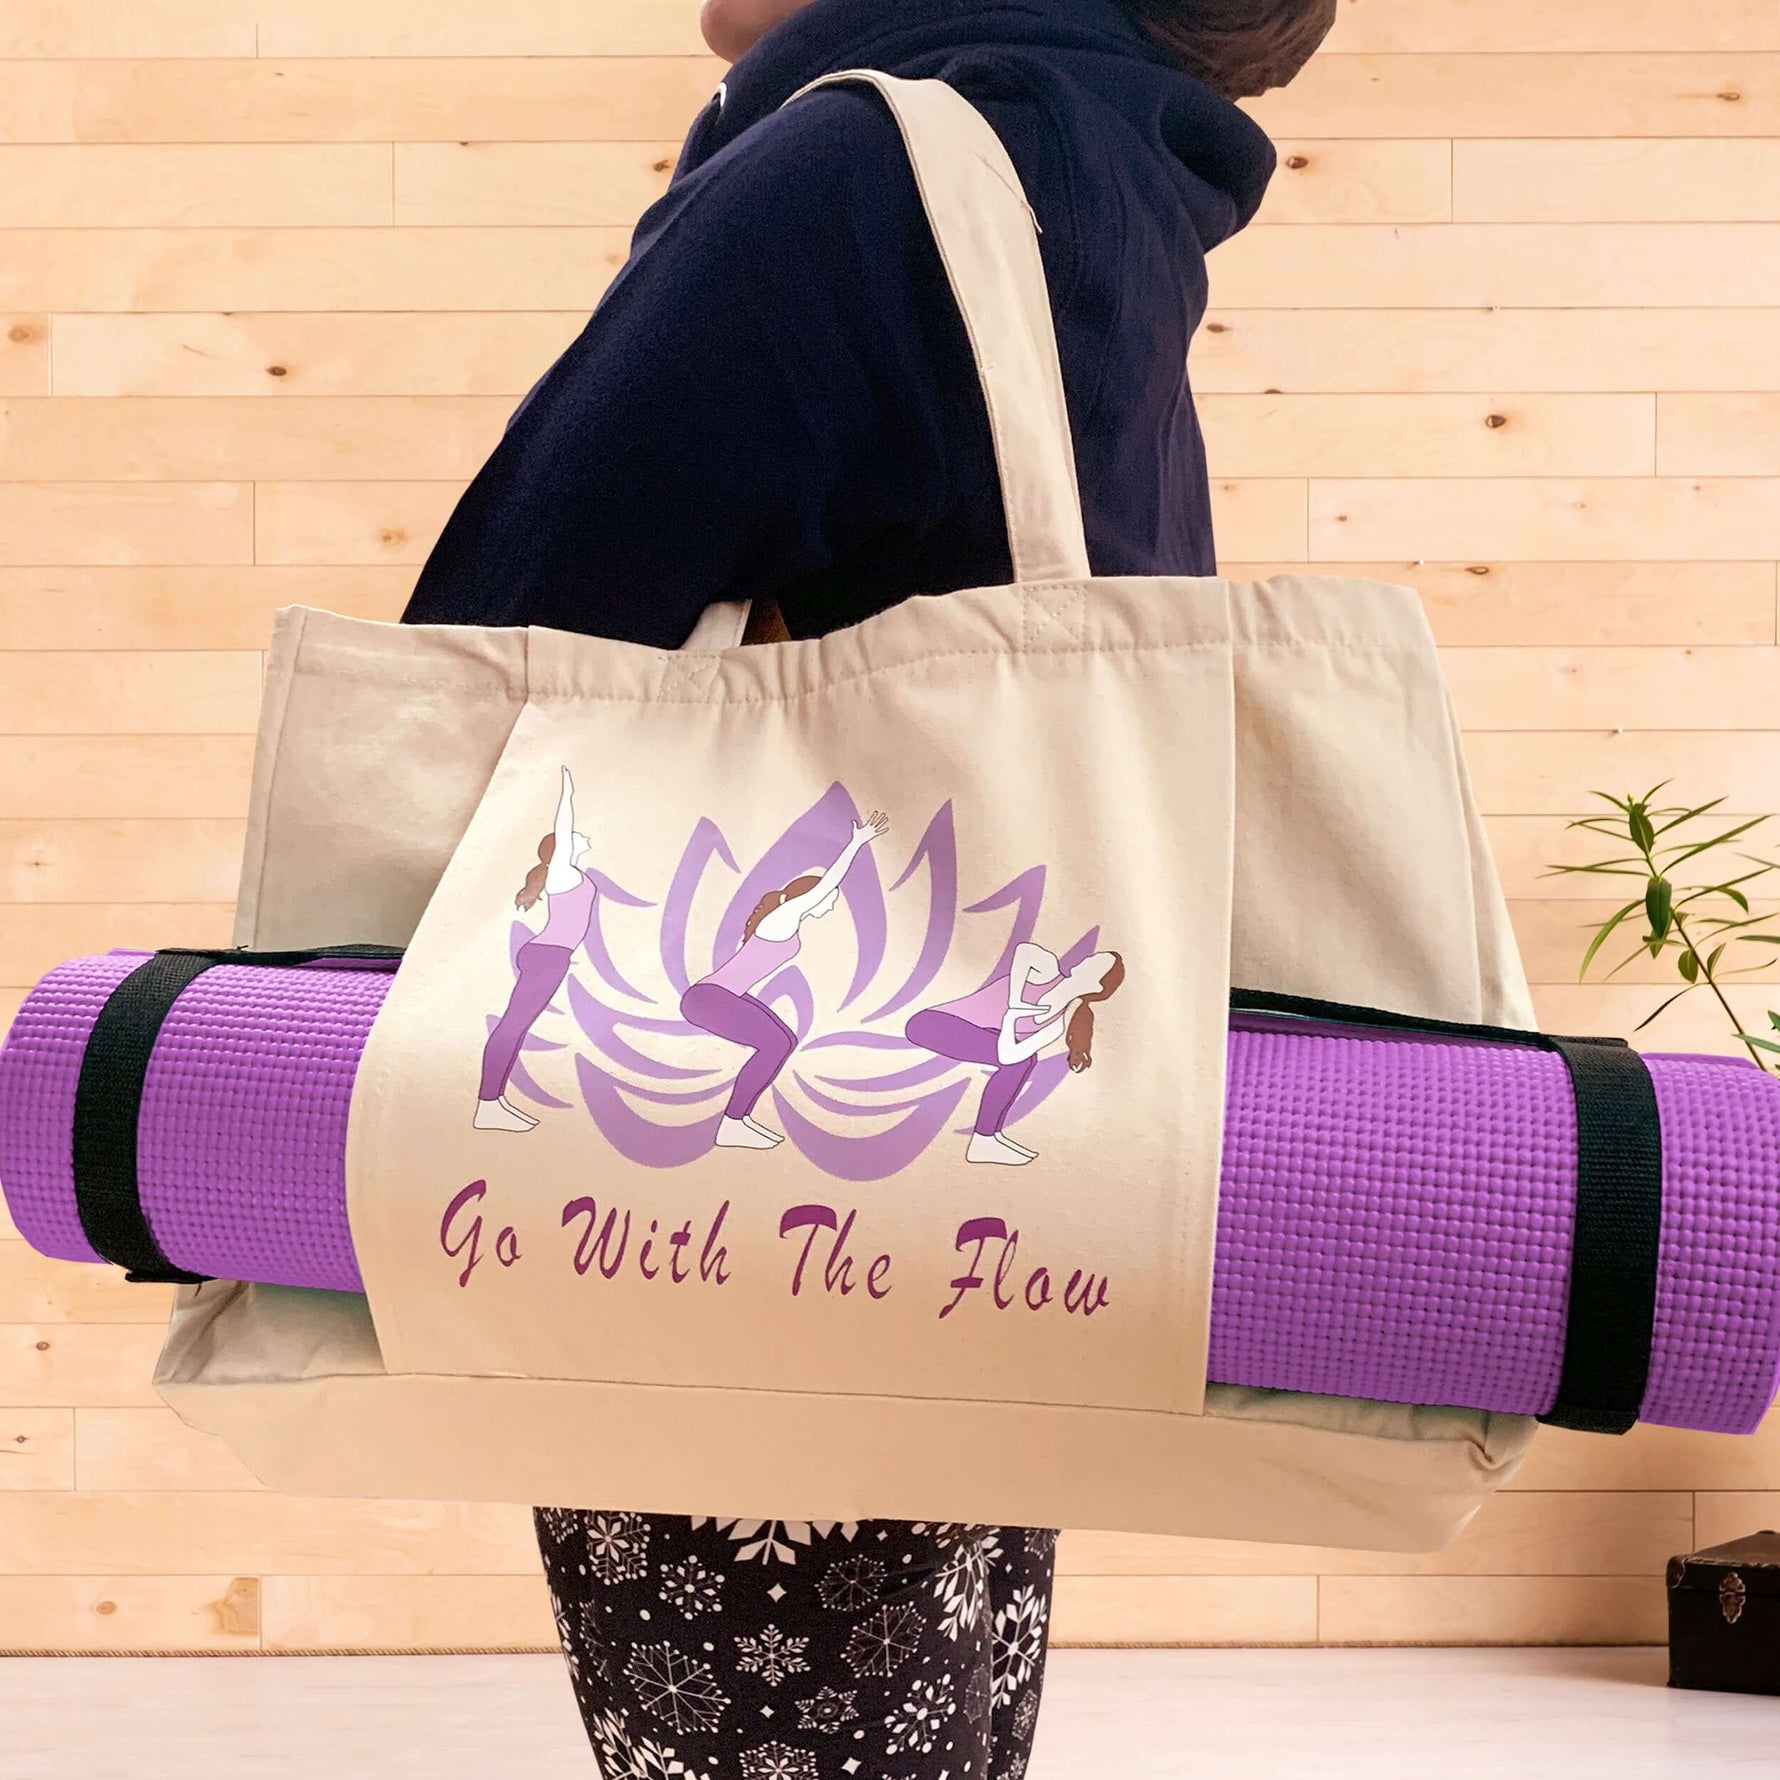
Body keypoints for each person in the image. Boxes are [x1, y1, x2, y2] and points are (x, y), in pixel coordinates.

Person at [403, 0, 1336, 1771]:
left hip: (731, 1151)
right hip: (978, 1158)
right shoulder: (1089, 166)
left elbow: (496, 652)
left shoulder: (858, 170)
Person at [683, 811, 888, 1149]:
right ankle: (732, 1123)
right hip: (709, 999)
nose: (832, 903)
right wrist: (856, 843)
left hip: (719, 996)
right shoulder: (783, 917)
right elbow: (826, 885)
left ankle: (741, 1117)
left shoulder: (785, 921)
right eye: (829, 899)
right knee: (775, 1044)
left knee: (785, 1041)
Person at [906, 944, 1125, 1164]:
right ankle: (984, 1139)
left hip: (977, 1032)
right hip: (931, 1024)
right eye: (1094, 956)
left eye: (1097, 963)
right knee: (1020, 1062)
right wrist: (1016, 1001)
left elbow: (1008, 1056)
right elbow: (1024, 952)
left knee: (1025, 1060)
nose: (1089, 959)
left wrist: (1011, 1020)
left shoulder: (1054, 1026)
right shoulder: (1048, 972)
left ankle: (991, 1135)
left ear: (1096, 987)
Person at [474, 767, 595, 1131]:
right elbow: (563, 828)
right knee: (514, 1025)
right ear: (562, 844)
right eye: (573, 833)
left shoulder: (568, 873)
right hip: (547, 955)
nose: (580, 834)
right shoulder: (562, 873)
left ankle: (493, 1101)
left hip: (550, 955)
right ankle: (488, 1103)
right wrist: (567, 796)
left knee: (517, 1025)